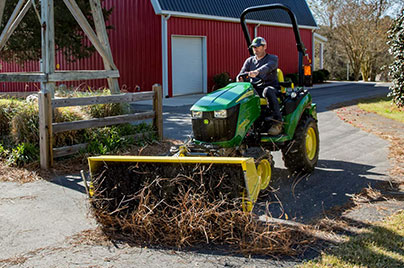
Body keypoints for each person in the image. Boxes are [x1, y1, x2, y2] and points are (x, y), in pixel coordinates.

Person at [237, 37, 282, 136]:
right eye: (254, 47)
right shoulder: (249, 61)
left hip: (271, 88)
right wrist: (240, 78)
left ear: (264, 47)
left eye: (258, 47)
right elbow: (242, 73)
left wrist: (257, 72)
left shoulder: (273, 58)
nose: (255, 50)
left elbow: (268, 67)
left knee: (267, 91)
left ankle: (277, 122)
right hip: (256, 88)